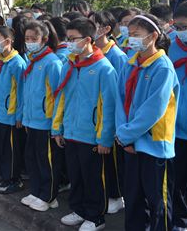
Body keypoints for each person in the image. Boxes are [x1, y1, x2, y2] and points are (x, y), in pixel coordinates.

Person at [52, 18, 117, 231]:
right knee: (76, 175)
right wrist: (58, 128)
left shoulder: (103, 68)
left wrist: (104, 138)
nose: (69, 43)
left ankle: (95, 216)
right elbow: (62, 99)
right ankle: (78, 209)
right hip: (71, 132)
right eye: (68, 39)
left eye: (73, 39)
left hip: (92, 136)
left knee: (93, 178)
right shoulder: (70, 64)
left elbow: (109, 107)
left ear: (88, 40)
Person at [115, 14, 179, 231]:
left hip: (154, 147)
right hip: (130, 143)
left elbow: (153, 110)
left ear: (153, 36)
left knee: (158, 203)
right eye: (130, 34)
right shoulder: (130, 64)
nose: (131, 39)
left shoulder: (163, 67)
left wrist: (126, 135)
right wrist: (123, 135)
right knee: (133, 199)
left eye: (136, 35)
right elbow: (120, 100)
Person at [20, 19, 63, 212]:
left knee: (47, 161)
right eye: (27, 38)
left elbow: (56, 96)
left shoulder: (52, 62)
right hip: (32, 119)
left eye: (33, 38)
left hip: (45, 122)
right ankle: (37, 191)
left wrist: (55, 124)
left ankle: (49, 195)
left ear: (44, 39)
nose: (29, 42)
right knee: (33, 158)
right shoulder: (32, 59)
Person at [92, 11, 129, 212]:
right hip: (95, 117)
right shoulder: (91, 52)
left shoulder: (117, 56)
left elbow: (120, 93)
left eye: (94, 25)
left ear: (106, 29)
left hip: (112, 117)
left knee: (112, 161)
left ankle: (116, 195)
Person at [0, 26, 27, 194]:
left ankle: (13, 179)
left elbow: (21, 91)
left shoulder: (17, 63)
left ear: (8, 41)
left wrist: (19, 115)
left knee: (10, 149)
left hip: (9, 115)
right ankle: (4, 176)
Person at [170, 1, 187, 230]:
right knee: (178, 181)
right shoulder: (171, 46)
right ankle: (181, 221)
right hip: (176, 128)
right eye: (178, 27)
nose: (181, 32)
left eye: (186, 27)